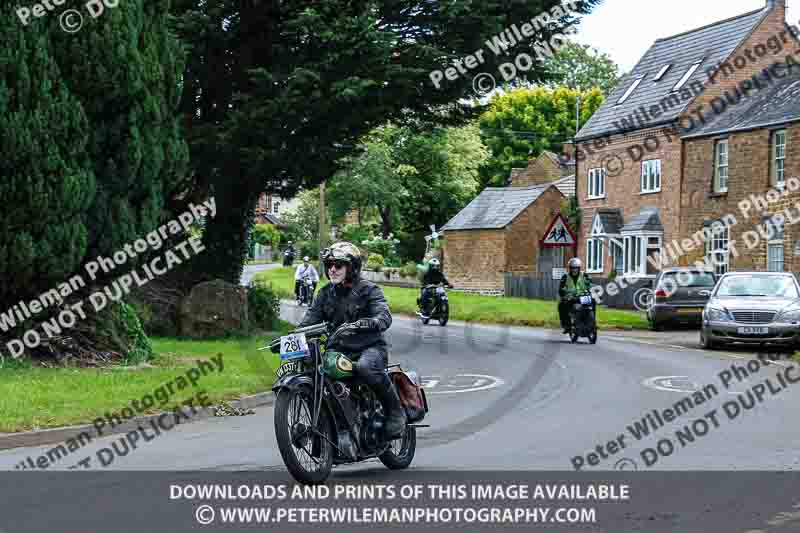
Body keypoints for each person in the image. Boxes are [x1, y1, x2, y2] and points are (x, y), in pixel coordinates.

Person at [296, 241, 407, 439]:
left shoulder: (369, 290)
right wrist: (291, 338)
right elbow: (308, 322)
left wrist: (365, 324)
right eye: (329, 265)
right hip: (338, 352)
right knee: (313, 371)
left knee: (365, 367)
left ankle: (395, 412)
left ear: (352, 267)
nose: (332, 269)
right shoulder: (324, 294)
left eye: (338, 265)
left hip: (369, 348)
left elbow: (384, 315)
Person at [558, 258, 592, 333]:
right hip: (571, 298)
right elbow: (561, 289)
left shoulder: (585, 275)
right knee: (561, 305)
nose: (574, 270)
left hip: (583, 297)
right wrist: (565, 295)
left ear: (579, 268)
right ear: (569, 268)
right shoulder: (565, 277)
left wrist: (592, 291)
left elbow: (590, 285)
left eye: (576, 268)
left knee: (593, 302)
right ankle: (567, 326)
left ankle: (592, 322)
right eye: (572, 268)